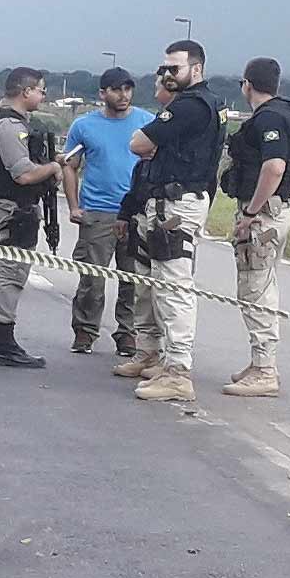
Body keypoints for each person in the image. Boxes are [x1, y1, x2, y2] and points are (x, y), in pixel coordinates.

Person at [128, 40, 227, 402]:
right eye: (165, 68)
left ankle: (179, 372)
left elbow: (138, 143)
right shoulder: (209, 102)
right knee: (162, 283)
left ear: (196, 69)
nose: (168, 75)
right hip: (177, 200)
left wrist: (156, 144)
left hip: (177, 204)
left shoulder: (190, 105)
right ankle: (167, 362)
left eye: (175, 68)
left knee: (173, 287)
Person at [219, 57, 290, 397]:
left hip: (264, 215)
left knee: (255, 292)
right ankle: (259, 364)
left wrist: (251, 212)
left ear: (247, 84)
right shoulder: (289, 113)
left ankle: (265, 369)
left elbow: (274, 167)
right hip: (277, 210)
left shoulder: (268, 118)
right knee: (261, 287)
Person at [0, 67, 63, 368]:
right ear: (25, 92)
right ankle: (3, 342)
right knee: (9, 275)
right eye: (40, 89)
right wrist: (51, 168)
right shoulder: (10, 127)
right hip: (12, 210)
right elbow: (23, 174)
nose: (43, 95)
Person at [61, 68, 154, 356]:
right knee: (92, 279)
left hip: (136, 211)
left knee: (133, 278)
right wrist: (75, 206)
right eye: (116, 89)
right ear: (103, 93)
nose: (123, 95)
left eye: (127, 89)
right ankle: (85, 330)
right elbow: (69, 165)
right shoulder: (84, 126)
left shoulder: (146, 122)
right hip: (98, 211)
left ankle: (127, 333)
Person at [113, 77, 175, 381]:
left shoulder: (173, 163)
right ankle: (145, 351)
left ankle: (167, 357)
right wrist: (124, 217)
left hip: (166, 225)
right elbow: (134, 191)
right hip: (141, 227)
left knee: (166, 295)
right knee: (142, 292)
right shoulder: (144, 165)